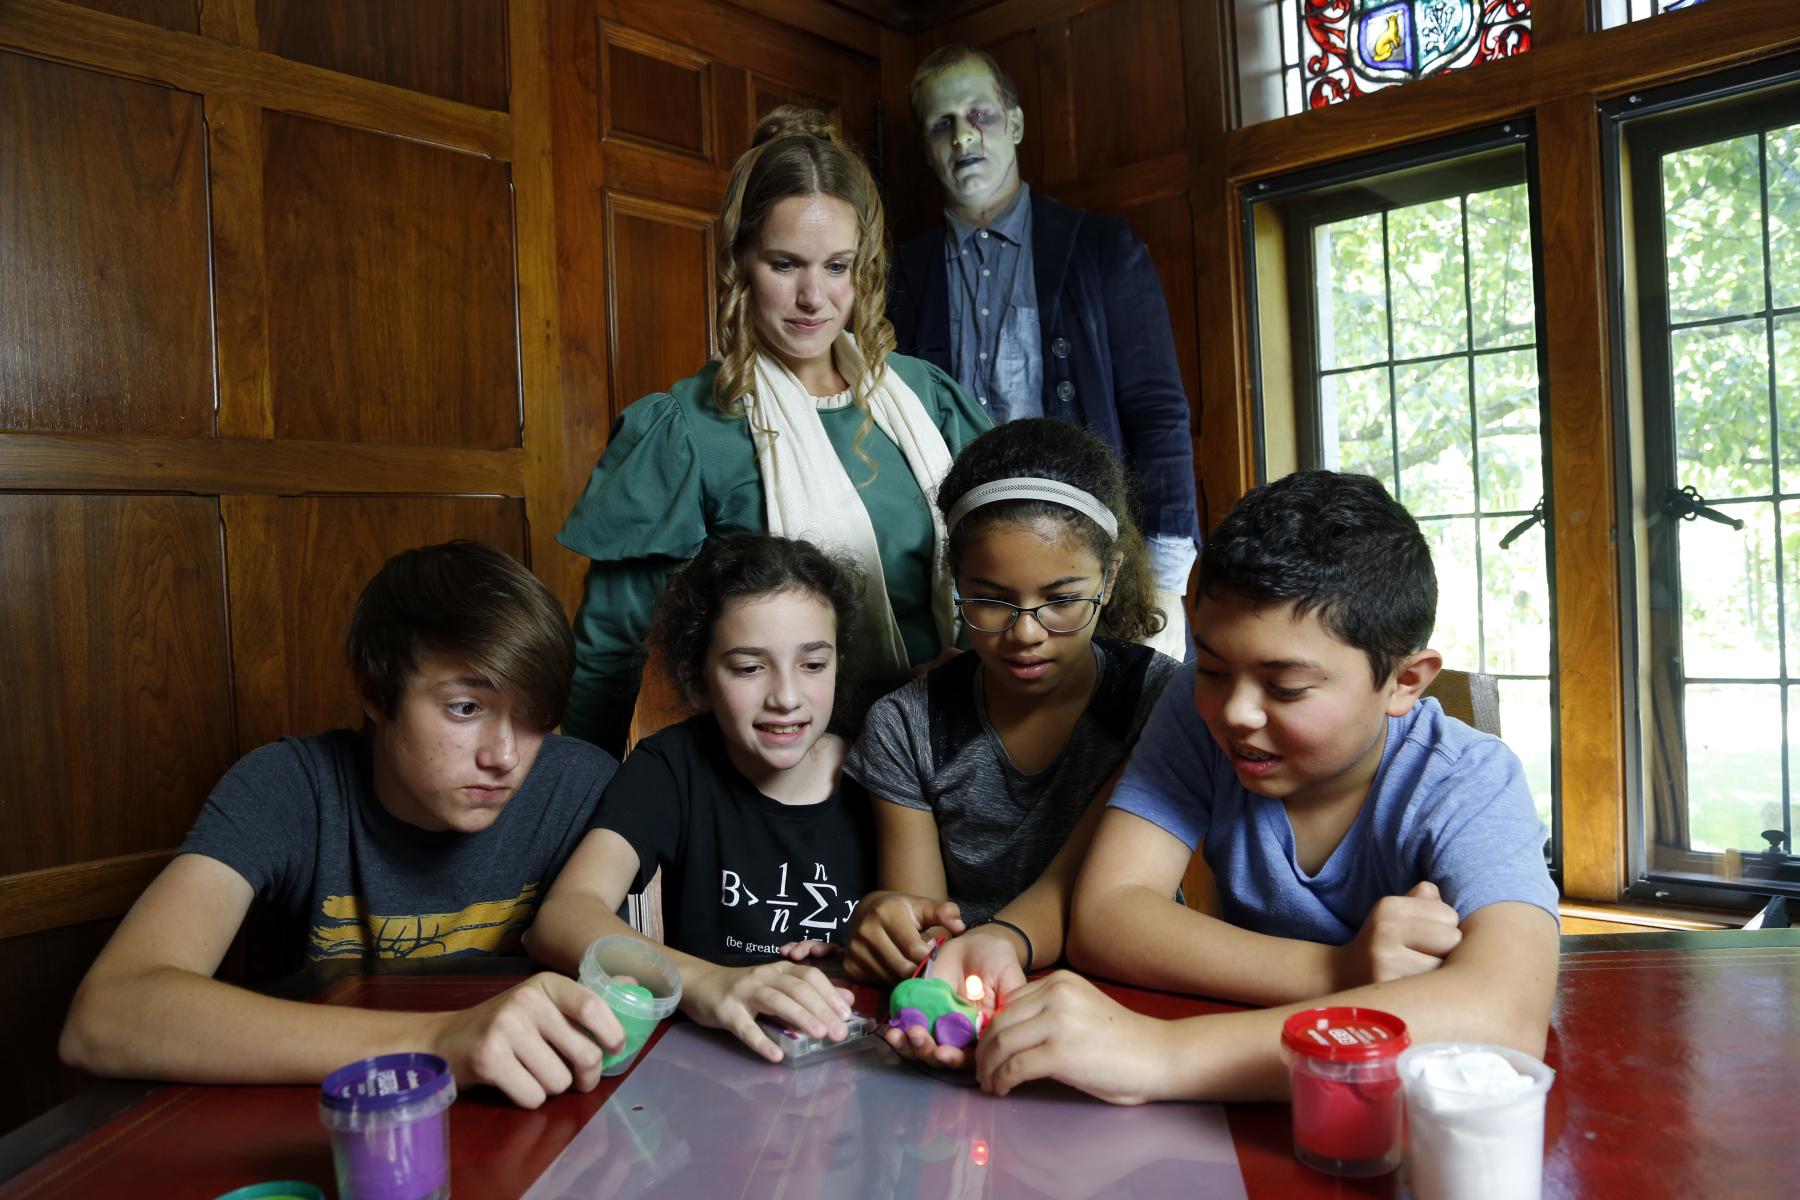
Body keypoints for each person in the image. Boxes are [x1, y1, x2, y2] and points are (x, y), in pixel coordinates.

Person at [970, 471, 1560, 1103]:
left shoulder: (1468, 779)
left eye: (1285, 688)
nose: (1235, 712)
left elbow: (1505, 1017)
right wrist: (1342, 971)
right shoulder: (1196, 718)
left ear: (1405, 682)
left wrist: (1164, 1054)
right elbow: (1108, 914)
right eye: (1214, 668)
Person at [59, 542, 626, 1109]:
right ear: (374, 691)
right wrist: (438, 1042)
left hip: (527, 1116)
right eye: (465, 708)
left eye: (533, 716)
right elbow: (107, 1014)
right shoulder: (287, 786)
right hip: (342, 1115)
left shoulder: (581, 785)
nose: (504, 756)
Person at [558, 107, 991, 757]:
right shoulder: (686, 429)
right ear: (741, 263)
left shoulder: (926, 397)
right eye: (786, 264)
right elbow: (608, 647)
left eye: (837, 266)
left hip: (949, 739)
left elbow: (1013, 556)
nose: (814, 297)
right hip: (786, 765)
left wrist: (975, 666)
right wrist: (580, 795)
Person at [839, 419, 1180, 1062]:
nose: (1026, 633)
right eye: (991, 600)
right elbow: (926, 921)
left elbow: (1094, 892)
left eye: (1062, 599)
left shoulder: (1158, 702)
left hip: (1134, 1014)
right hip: (966, 1015)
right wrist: (894, 928)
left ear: (1108, 577)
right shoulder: (908, 726)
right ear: (956, 581)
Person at [888, 44, 1199, 661]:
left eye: (980, 115)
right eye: (941, 124)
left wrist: (1165, 579)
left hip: (1096, 569)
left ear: (1017, 125)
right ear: (926, 144)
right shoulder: (900, 274)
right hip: (960, 583)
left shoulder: (1102, 248)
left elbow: (1158, 415)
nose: (962, 138)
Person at [530, 534, 875, 1064]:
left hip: (857, 1051)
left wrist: (866, 955)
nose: (786, 697)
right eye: (748, 667)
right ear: (697, 680)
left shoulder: (883, 769)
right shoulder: (670, 767)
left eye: (812, 664)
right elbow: (562, 916)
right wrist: (708, 982)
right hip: (714, 1058)